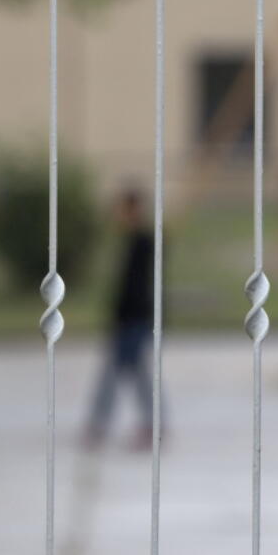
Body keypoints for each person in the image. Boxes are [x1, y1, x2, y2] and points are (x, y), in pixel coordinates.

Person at [83, 187, 161, 450]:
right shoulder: (130, 240)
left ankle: (109, 423)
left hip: (135, 321)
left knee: (124, 375)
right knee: (127, 375)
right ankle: (107, 423)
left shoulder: (144, 242)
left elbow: (139, 287)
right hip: (126, 320)